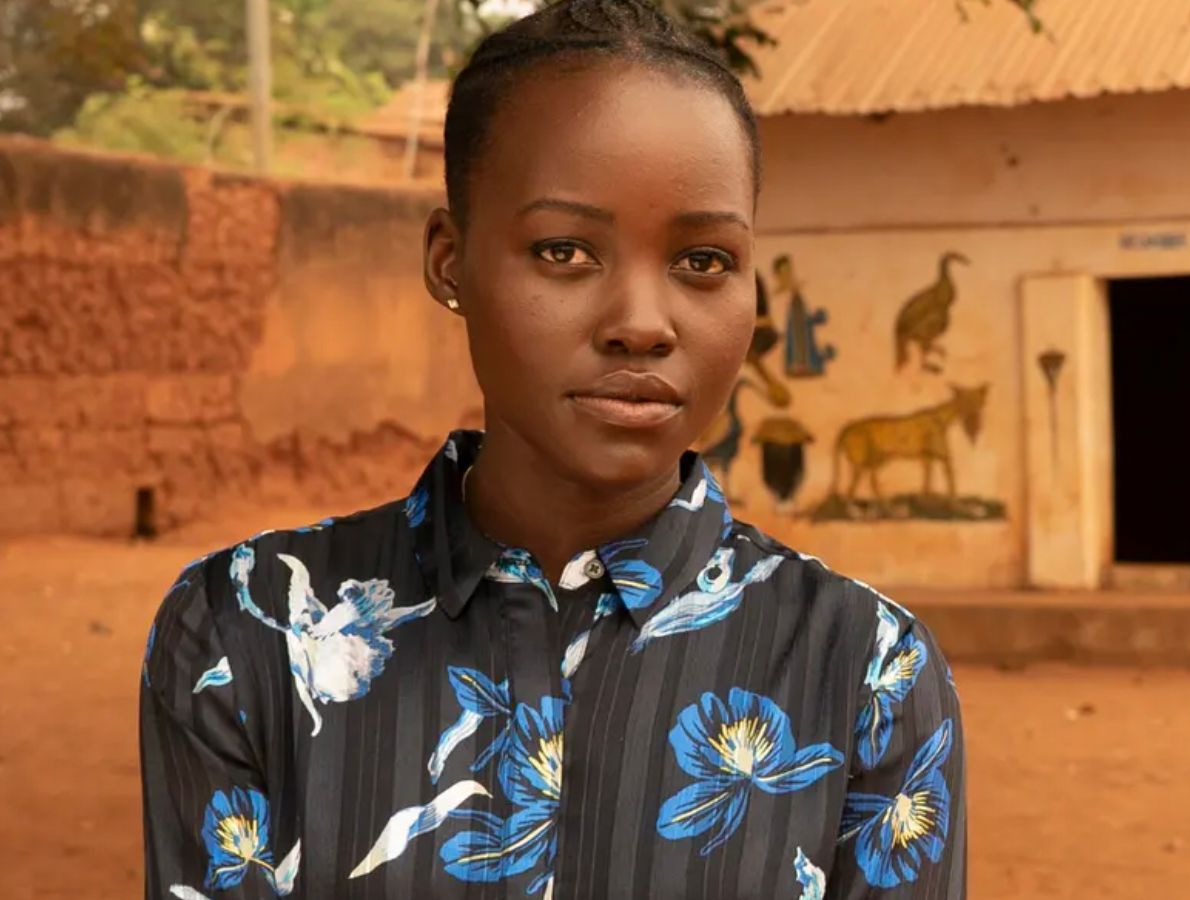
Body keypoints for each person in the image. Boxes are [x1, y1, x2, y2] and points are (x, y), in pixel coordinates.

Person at [137, 2, 965, 896]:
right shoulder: (247, 632)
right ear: (451, 262)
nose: (642, 324)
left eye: (704, 261)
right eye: (564, 251)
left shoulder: (867, 672)